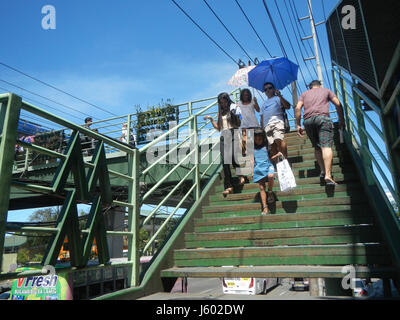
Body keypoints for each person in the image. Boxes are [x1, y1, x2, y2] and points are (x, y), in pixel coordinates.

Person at [295, 80, 345, 185]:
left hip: (308, 122)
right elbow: (338, 104)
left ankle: (322, 170)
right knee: (326, 146)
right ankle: (328, 174)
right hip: (322, 119)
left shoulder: (304, 94)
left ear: (310, 87)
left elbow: (298, 108)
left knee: (317, 147)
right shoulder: (326, 91)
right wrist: (341, 120)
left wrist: (298, 124)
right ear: (319, 85)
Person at [204, 92, 242, 196]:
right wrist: (212, 120)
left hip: (233, 132)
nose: (223, 104)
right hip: (224, 135)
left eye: (225, 102)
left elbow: (238, 123)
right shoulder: (219, 114)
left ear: (228, 101)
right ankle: (229, 186)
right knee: (225, 162)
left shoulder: (233, 109)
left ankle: (240, 175)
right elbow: (219, 128)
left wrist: (237, 112)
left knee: (233, 157)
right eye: (221, 102)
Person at [253, 128, 282, 215]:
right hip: (258, 168)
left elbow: (271, 158)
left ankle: (270, 192)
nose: (258, 141)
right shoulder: (253, 149)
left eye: (260, 139)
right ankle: (265, 207)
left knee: (270, 176)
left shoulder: (266, 147)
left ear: (263, 138)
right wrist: (252, 171)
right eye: (256, 139)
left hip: (268, 166)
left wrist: (277, 155)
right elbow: (252, 161)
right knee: (261, 188)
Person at [260, 82, 291, 159]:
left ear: (274, 89)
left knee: (278, 139)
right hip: (267, 125)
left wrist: (280, 96)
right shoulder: (264, 104)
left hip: (277, 122)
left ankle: (285, 158)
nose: (268, 90)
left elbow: (288, 106)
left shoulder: (278, 98)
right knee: (272, 145)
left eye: (270, 88)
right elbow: (262, 117)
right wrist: (262, 128)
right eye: (265, 89)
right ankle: (279, 163)